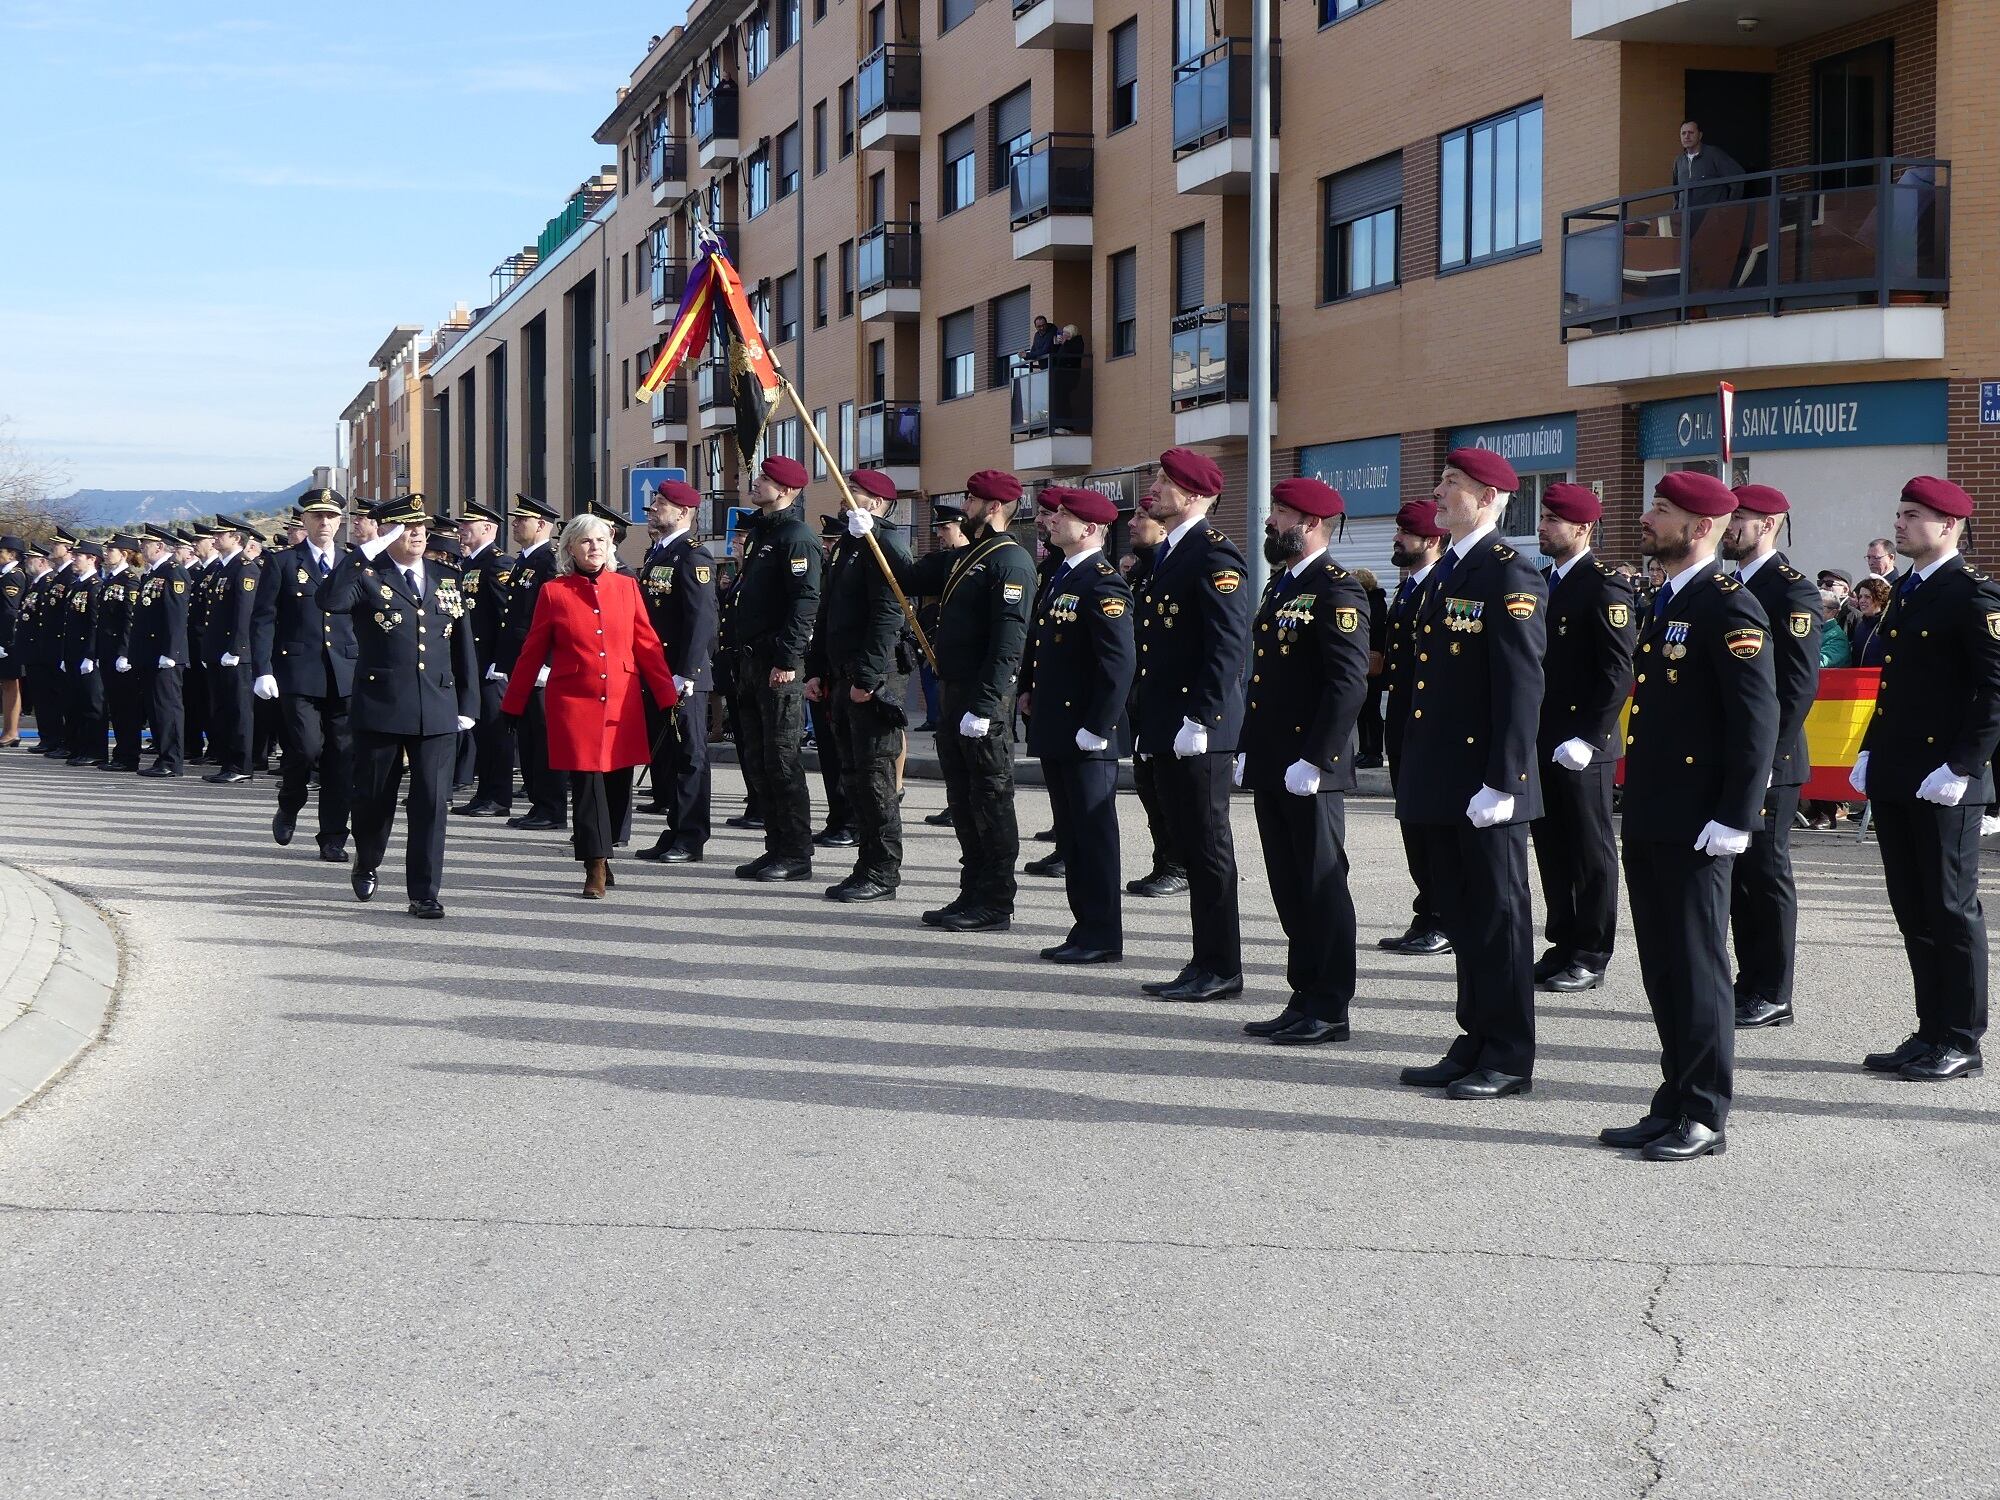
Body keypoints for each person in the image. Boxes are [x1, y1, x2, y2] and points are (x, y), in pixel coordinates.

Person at [1603, 470, 1778, 1161]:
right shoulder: (1674, 596)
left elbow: (1756, 720)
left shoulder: (1729, 605)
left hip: (1700, 821)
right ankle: (1673, 1096)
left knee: (1699, 967)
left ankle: (1704, 1112)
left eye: (1663, 510)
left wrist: (1737, 815)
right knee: (1663, 967)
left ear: (1700, 527)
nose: (1648, 517)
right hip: (1654, 812)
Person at [1395, 449, 1547, 1100]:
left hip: (1487, 783)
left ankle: (1508, 1054)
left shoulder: (1509, 574)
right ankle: (1475, 1038)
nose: (1438, 492)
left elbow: (1520, 685)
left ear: (1489, 499)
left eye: (1452, 484)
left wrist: (1505, 781)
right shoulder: (1449, 569)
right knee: (1464, 917)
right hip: (1447, 777)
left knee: (1499, 921)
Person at [1852, 476, 2000, 1083]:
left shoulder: (1973, 597)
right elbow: (1893, 690)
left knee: (1949, 907)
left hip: (1946, 777)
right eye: (1900, 513)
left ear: (1950, 525)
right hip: (1900, 772)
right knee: (1913, 907)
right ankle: (1930, 1029)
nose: (1902, 524)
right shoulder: (1907, 592)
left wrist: (1965, 766)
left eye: (1914, 515)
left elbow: (1995, 693)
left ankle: (1962, 1036)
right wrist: (1869, 750)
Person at [862, 468, 1035, 930]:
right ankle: (971, 889)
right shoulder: (966, 555)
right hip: (954, 691)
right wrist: (873, 531)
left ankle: (996, 900)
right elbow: (909, 577)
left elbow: (1008, 642)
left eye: (972, 500)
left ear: (992, 508)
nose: (965, 507)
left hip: (983, 700)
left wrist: (985, 705)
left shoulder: (1009, 560)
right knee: (962, 799)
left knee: (991, 799)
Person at [1236, 477, 1370, 1043]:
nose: (1271, 523)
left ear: (1311, 525)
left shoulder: (1337, 590)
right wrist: (1247, 744)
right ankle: (1303, 992)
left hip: (1309, 767)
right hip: (1275, 759)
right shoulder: (1284, 586)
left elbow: (1347, 683)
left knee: (1320, 884)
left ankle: (1330, 1005)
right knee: (1288, 883)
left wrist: (1318, 758)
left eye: (1282, 515)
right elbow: (1264, 680)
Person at [317, 496, 479, 918]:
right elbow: (329, 600)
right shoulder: (367, 574)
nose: (417, 532)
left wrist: (469, 702)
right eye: (405, 526)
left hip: (438, 705)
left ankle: (424, 892)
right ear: (387, 531)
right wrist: (364, 552)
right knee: (374, 798)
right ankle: (367, 859)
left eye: (420, 525)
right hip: (383, 704)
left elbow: (462, 645)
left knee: (432, 801)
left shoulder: (446, 576)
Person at [500, 513, 676, 899]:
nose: (594, 547)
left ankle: (606, 849)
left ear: (610, 546)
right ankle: (594, 863)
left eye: (600, 541)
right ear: (571, 549)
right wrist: (513, 703)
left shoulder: (627, 587)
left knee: (616, 785)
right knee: (587, 784)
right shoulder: (554, 591)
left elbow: (646, 645)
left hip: (621, 700)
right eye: (585, 542)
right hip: (574, 701)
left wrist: (667, 697)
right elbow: (532, 652)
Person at [1133, 447, 1253, 1003]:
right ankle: (1204, 956)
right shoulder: (1170, 554)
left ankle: (1222, 965)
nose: (1154, 488)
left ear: (1198, 496)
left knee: (1208, 849)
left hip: (1196, 729)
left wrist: (1203, 718)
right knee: (1188, 845)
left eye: (1166, 481)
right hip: (1167, 725)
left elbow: (1227, 647)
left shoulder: (1212, 556)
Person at [1719, 484, 1822, 1031]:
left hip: (1770, 763)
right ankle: (1749, 980)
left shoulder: (1790, 592)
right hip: (1729, 758)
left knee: (1765, 874)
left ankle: (1773, 989)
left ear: (1771, 524)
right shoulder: (1725, 585)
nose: (1730, 524)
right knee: (1737, 879)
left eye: (1742, 517)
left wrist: (1759, 761)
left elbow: (1796, 689)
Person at [1016, 486, 1135, 961]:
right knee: (1072, 836)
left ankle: (1102, 936)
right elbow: (1042, 642)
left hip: (1086, 732)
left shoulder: (1102, 581)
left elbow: (1118, 663)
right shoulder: (1063, 576)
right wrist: (1027, 685)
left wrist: (1099, 726)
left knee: (1093, 837)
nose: (1051, 520)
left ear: (1090, 529)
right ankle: (1084, 928)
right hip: (1058, 726)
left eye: (1063, 516)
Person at [1530, 483, 1637, 994]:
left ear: (1584, 528)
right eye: (1543, 517)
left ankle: (1592, 951)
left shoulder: (1603, 584)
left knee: (1589, 850)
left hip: (1581, 742)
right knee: (1551, 846)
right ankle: (1562, 942)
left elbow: (1618, 671)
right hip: (1542, 735)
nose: (1543, 526)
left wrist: (1590, 737)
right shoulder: (1540, 581)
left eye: (1555, 520)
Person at [810, 470, 914, 903]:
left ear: (876, 503)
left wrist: (868, 680)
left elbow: (889, 616)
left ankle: (882, 870)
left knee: (874, 780)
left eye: (852, 493)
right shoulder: (851, 544)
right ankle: (865, 862)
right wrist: (817, 669)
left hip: (870, 680)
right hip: (842, 674)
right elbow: (828, 612)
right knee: (853, 778)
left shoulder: (883, 544)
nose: (844, 498)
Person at [727, 454, 823, 881]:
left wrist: (788, 659)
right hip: (749, 662)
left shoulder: (796, 536)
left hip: (776, 664)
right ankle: (774, 845)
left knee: (782, 761)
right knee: (758, 759)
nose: (756, 482)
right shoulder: (762, 532)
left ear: (787, 490)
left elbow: (805, 602)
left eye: (765, 479)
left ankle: (796, 852)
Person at [252, 488, 355, 863]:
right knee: (306, 748)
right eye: (316, 516)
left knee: (342, 757)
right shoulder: (282, 563)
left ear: (339, 522)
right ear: (305, 521)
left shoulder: (352, 562)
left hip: (346, 672)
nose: (324, 523)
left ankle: (332, 835)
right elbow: (263, 618)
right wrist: (263, 669)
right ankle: (290, 803)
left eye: (330, 517)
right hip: (297, 672)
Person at [634, 479, 720, 864]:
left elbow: (702, 620)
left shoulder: (692, 557)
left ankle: (691, 835)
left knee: (690, 755)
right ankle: (674, 828)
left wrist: (686, 673)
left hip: (685, 676)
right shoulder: (657, 554)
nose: (652, 509)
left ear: (683, 512)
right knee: (666, 755)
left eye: (660, 504)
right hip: (658, 672)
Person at [1379, 500, 1451, 956]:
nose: (1397, 538)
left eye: (1406, 533)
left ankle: (1444, 919)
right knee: (1411, 823)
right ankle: (1427, 911)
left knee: (1433, 828)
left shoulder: (1442, 587)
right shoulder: (1407, 590)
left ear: (1432, 540)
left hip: (1431, 726)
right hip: (1402, 720)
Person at [1121, 507, 1188, 898]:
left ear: (1162, 526)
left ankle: (1180, 864)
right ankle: (1164, 860)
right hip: (1142, 695)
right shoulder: (1144, 570)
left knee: (1170, 789)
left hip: (1171, 698)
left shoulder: (1173, 566)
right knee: (1148, 785)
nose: (1131, 523)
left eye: (1141, 517)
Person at [500, 494, 569, 832]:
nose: (514, 524)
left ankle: (552, 806)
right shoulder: (524, 560)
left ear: (541, 525)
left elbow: (556, 617)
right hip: (523, 664)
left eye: (521, 519)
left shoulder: (548, 561)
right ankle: (538, 802)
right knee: (527, 737)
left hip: (541, 667)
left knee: (543, 739)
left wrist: (548, 664)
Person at [450, 500, 514, 818]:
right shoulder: (469, 563)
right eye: (461, 525)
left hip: (489, 664)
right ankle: (484, 792)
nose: (462, 530)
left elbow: (507, 617)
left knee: (494, 731)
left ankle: (498, 796)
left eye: (468, 525)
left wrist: (501, 662)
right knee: (481, 733)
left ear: (488, 528)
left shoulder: (497, 564)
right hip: (473, 661)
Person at [810, 512, 858, 850]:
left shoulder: (852, 571)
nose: (827, 546)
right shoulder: (830, 571)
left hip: (847, 673)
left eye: (832, 541)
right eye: (825, 541)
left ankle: (852, 821)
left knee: (849, 757)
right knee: (829, 753)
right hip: (827, 671)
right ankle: (837, 817)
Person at [201, 515, 259, 785]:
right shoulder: (222, 569)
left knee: (238, 710)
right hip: (217, 651)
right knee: (222, 709)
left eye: (221, 534)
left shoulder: (244, 568)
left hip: (235, 653)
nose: (215, 538)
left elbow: (244, 614)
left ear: (237, 538)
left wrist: (236, 648)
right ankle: (228, 762)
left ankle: (241, 764)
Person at [132, 525, 190, 777]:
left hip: (166, 654)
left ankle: (172, 760)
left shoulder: (173, 572)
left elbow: (176, 616)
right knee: (155, 708)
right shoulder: (151, 574)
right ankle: (162, 757)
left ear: (160, 546)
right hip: (150, 653)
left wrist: (171, 651)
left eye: (146, 544)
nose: (142, 548)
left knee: (167, 707)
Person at [94, 535, 143, 771]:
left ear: (124, 554)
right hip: (107, 652)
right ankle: (121, 754)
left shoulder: (129, 581)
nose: (105, 553)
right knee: (116, 706)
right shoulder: (111, 580)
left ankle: (128, 755)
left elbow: (130, 621)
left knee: (126, 708)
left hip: (119, 655)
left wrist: (125, 652)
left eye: (110, 549)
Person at [27, 528, 76, 757]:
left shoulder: (69, 577)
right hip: (47, 645)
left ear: (67, 549)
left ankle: (63, 740)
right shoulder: (58, 576)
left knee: (61, 696)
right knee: (47, 695)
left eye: (56, 545)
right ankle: (52, 738)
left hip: (60, 645)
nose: (51, 549)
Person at [59, 541, 106, 765]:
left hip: (88, 654)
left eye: (79, 555)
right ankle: (79, 747)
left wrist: (91, 655)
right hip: (73, 653)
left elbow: (95, 624)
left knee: (92, 703)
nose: (74, 559)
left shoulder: (95, 586)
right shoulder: (77, 586)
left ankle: (95, 750)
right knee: (76, 701)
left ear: (92, 559)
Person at [1353, 565, 1387, 768]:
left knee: (1371, 710)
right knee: (1361, 710)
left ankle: (1374, 752)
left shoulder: (1375, 602)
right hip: (1360, 662)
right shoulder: (1363, 601)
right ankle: (1363, 750)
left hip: (1371, 664)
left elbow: (1374, 629)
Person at [1672, 119, 1744, 210]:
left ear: (1700, 135)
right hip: (1686, 219)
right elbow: (1676, 191)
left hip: (1712, 219)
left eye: (1691, 132)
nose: (1687, 136)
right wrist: (1676, 212)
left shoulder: (1713, 154)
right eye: (1683, 133)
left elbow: (1738, 177)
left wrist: (1729, 207)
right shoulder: (1679, 161)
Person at [0, 535, 23, 746]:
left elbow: (10, 612)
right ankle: (9, 730)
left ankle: (12, 730)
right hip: (5, 638)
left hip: (9, 640)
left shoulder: (13, 576)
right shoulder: (4, 575)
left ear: (12, 554)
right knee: (6, 684)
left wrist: (4, 641)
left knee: (10, 684)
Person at [1848, 576, 1890, 665]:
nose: (1862, 600)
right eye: (1860, 596)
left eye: (1867, 597)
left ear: (1880, 598)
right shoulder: (1861, 624)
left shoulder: (1887, 625)